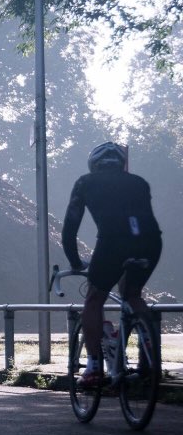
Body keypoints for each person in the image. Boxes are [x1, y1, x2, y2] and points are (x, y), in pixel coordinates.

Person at [61, 142, 162, 386]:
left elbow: (69, 229)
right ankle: (150, 359)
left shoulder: (85, 182)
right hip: (150, 242)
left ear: (93, 165)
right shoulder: (139, 182)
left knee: (95, 299)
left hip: (112, 243)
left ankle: (94, 366)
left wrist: (75, 261)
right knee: (133, 295)